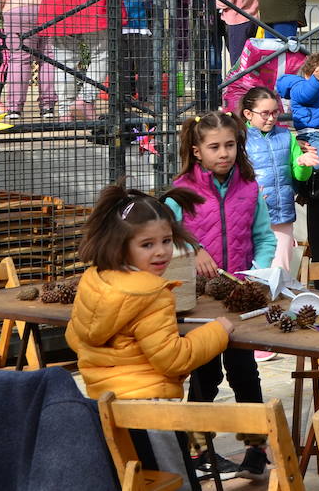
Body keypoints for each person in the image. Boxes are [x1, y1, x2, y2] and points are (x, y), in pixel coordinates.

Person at [67, 183, 234, 486]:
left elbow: (75, 338)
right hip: (150, 411)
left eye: (167, 241)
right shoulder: (152, 294)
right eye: (147, 245)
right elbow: (173, 359)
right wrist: (218, 332)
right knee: (174, 482)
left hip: (105, 404)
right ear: (121, 246)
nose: (161, 252)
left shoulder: (96, 280)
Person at [167, 111, 275, 481]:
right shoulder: (181, 190)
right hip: (198, 304)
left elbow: (264, 237)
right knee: (204, 376)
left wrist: (255, 273)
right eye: (214, 147)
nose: (224, 153)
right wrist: (193, 248)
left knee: (246, 374)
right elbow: (162, 237)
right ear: (197, 150)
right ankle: (197, 449)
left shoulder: (249, 187)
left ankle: (256, 448)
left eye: (230, 145)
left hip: (238, 298)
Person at [240, 86, 319, 278]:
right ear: (248, 114)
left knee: (280, 271)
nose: (271, 118)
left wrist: (303, 163)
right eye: (265, 113)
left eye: (275, 112)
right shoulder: (239, 138)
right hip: (251, 215)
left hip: (282, 213)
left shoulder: (286, 136)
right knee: (254, 269)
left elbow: (301, 176)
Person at [277, 53, 319, 170]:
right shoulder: (300, 88)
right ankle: (301, 170)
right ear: (307, 76)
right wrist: (315, 81)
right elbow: (305, 94)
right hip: (310, 135)